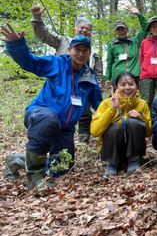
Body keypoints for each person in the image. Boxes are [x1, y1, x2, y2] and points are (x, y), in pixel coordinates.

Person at [0, 23, 102, 190]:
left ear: (89, 54)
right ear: (69, 50)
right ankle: (34, 177)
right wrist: (17, 45)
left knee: (62, 168)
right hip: (40, 114)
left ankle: (17, 160)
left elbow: (100, 104)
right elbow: (30, 62)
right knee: (49, 119)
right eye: (77, 49)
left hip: (66, 128)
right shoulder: (57, 63)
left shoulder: (89, 77)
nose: (81, 53)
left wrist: (118, 112)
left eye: (85, 50)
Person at [31, 5, 103, 144]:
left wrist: (97, 85)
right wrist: (37, 18)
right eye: (82, 27)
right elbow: (43, 35)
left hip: (83, 84)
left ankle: (83, 140)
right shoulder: (63, 41)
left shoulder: (93, 53)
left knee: (85, 112)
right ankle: (50, 139)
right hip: (62, 85)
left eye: (88, 29)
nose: (84, 30)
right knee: (57, 113)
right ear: (75, 29)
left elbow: (97, 72)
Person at [90, 73, 151, 178]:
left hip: (134, 151)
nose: (127, 87)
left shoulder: (142, 104)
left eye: (131, 84)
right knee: (115, 127)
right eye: (123, 84)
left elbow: (149, 133)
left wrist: (141, 117)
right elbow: (94, 131)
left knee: (133, 122)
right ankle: (112, 164)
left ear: (136, 86)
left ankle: (133, 161)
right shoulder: (106, 103)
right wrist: (112, 110)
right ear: (116, 87)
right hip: (111, 151)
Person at [106, 6, 148, 87]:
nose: (121, 31)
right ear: (116, 31)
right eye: (118, 29)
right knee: (118, 99)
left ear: (127, 30)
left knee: (134, 98)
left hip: (134, 75)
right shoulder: (112, 45)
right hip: (118, 77)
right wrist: (108, 78)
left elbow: (145, 29)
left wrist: (139, 15)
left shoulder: (135, 41)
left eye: (123, 29)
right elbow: (109, 62)